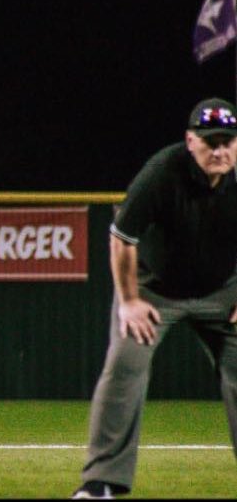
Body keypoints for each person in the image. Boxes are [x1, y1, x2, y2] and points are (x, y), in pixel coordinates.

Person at [71, 97, 237, 499]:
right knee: (124, 368)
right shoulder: (163, 172)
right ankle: (101, 484)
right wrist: (128, 300)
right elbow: (122, 237)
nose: (219, 150)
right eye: (209, 140)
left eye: (228, 141)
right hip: (153, 294)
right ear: (189, 140)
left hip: (222, 292)